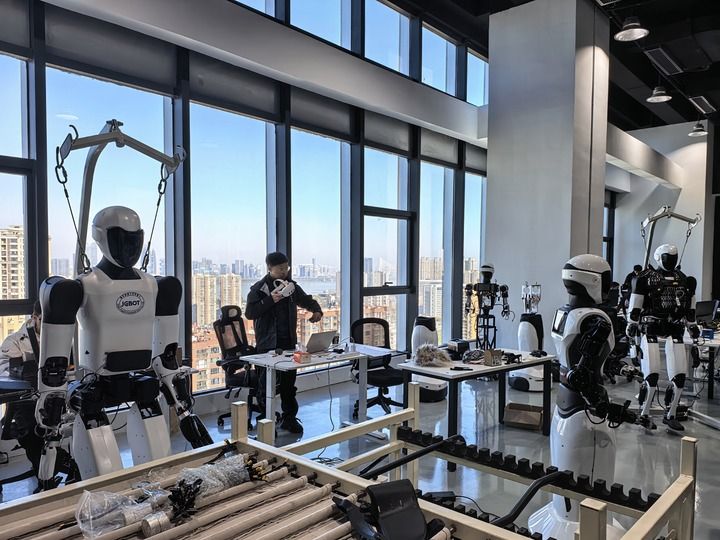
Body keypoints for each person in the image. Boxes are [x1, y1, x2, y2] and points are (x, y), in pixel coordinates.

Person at [245, 252, 323, 433]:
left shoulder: (291, 286)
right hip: (267, 344)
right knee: (266, 386)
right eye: (280, 268)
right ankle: (266, 422)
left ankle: (289, 418)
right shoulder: (259, 289)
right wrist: (270, 300)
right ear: (269, 268)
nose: (284, 271)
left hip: (288, 342)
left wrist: (316, 310)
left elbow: (306, 300)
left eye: (286, 268)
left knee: (289, 384)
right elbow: (250, 313)